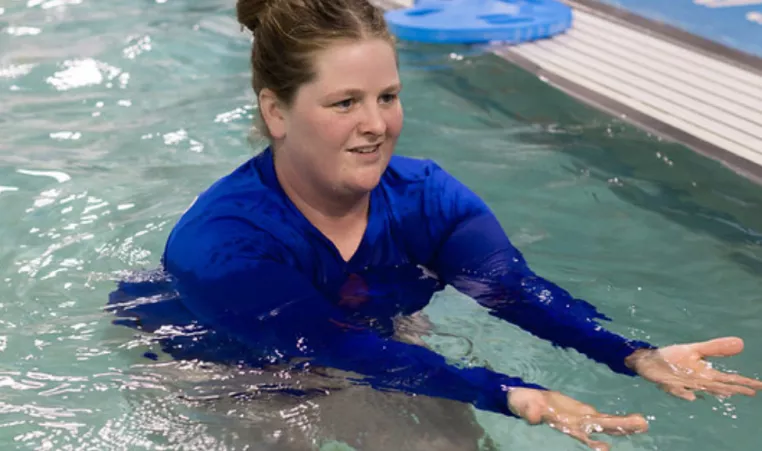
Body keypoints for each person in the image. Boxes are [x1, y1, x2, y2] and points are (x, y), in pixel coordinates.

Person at [108, 0, 762, 449]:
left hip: (360, 326)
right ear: (278, 112)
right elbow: (331, 346)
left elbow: (511, 290)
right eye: (345, 102)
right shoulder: (220, 246)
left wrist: (633, 354)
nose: (376, 124)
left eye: (387, 97)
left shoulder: (427, 199)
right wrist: (508, 390)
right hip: (223, 362)